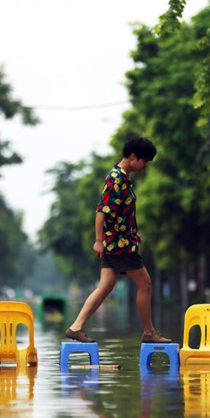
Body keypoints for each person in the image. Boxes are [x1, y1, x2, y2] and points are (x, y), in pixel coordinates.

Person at [65, 136, 171, 344]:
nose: (145, 166)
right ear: (133, 157)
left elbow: (120, 212)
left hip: (119, 240)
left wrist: (132, 232)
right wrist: (98, 240)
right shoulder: (116, 179)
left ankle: (76, 327)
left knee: (105, 287)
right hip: (119, 244)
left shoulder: (122, 177)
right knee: (145, 283)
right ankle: (149, 332)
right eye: (144, 161)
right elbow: (101, 211)